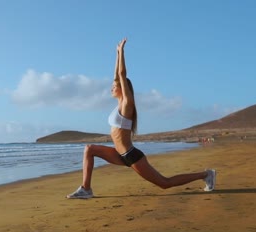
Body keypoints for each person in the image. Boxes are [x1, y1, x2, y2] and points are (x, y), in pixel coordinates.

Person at [67, 38, 216, 199]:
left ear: (124, 89)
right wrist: (116, 54)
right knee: (89, 149)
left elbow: (121, 74)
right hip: (118, 154)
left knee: (164, 183)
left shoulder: (127, 104)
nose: (112, 87)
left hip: (131, 155)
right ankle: (86, 189)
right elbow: (117, 75)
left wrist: (122, 53)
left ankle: (205, 174)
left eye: (115, 86)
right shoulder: (118, 105)